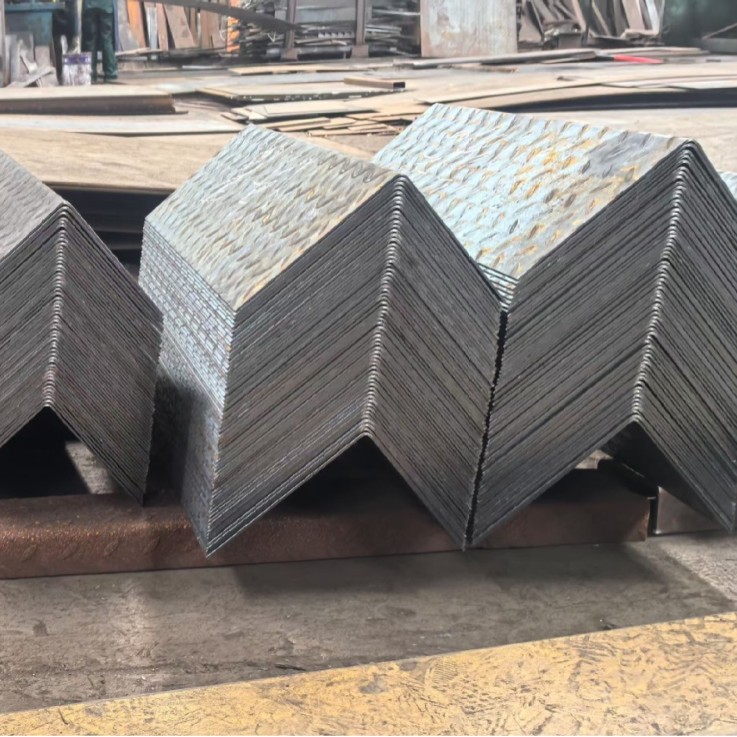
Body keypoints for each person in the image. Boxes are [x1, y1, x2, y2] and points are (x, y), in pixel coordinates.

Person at [82, 0, 117, 82]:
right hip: (106, 6)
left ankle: (90, 72)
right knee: (107, 39)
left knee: (90, 40)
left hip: (89, 6)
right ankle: (110, 73)